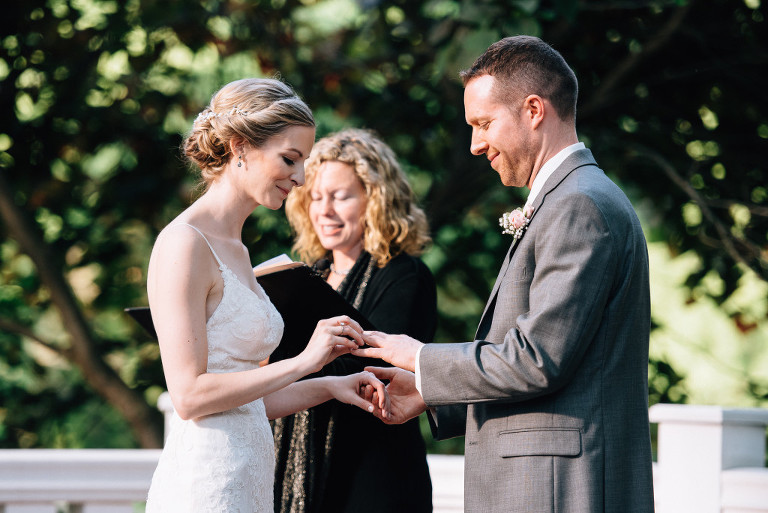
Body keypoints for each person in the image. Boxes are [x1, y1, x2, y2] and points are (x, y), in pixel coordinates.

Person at [356, 36, 655, 512]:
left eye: (484, 124)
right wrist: (431, 395)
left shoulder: (578, 205)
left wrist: (419, 358)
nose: (475, 145)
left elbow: (537, 359)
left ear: (534, 110)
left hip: (558, 489)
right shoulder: (572, 199)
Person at [143, 78, 389, 513]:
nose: (300, 178)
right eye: (290, 159)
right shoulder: (184, 243)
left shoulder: (237, 251)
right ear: (239, 146)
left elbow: (247, 403)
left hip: (250, 479)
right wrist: (305, 361)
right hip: (205, 483)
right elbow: (190, 397)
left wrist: (331, 386)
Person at [271, 128, 436, 513]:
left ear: (375, 200)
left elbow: (377, 368)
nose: (324, 210)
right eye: (315, 197)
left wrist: (277, 361)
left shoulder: (404, 275)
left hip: (373, 476)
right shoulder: (306, 276)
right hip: (305, 470)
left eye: (340, 196)